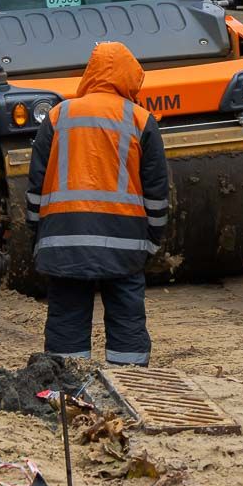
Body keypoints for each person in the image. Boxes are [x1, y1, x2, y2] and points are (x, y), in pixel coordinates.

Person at [26, 41, 168, 366]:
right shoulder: (141, 121)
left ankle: (69, 390)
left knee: (66, 321)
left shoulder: (58, 116)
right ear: (131, 77)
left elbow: (35, 187)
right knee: (127, 320)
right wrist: (152, 243)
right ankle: (131, 385)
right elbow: (157, 193)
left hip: (62, 239)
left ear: (89, 74)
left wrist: (37, 234)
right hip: (125, 242)